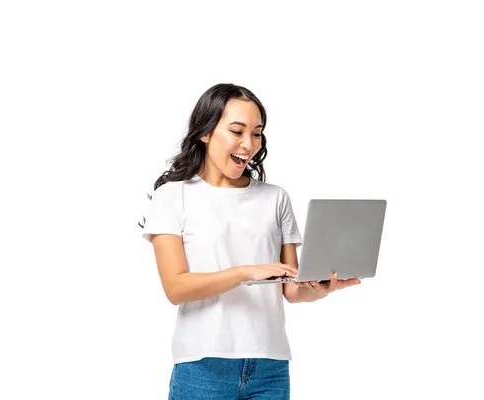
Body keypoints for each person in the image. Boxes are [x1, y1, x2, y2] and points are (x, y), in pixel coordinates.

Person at [140, 83, 360, 399]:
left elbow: (291, 288)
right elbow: (176, 288)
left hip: (270, 366)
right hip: (203, 366)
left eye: (257, 133)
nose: (249, 144)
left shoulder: (275, 198)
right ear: (205, 133)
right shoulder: (173, 197)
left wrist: (319, 289)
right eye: (237, 131)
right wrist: (245, 272)